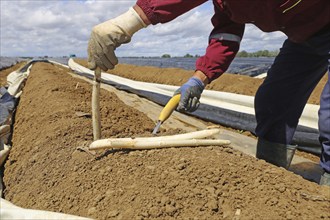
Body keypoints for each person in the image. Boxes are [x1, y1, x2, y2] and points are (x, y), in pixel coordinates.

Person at [87, 0, 330, 185]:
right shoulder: (226, 4)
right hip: (305, 39)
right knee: (272, 102)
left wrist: (131, 20)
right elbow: (226, 36)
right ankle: (274, 180)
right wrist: (198, 79)